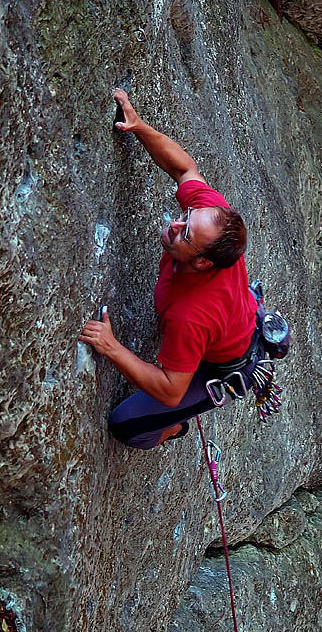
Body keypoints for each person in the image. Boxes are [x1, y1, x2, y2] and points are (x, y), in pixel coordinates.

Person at [79, 88, 262, 449]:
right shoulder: (214, 221)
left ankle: (174, 430)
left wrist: (111, 346)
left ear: (202, 261)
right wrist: (141, 127)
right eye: (186, 216)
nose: (176, 224)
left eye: (186, 234)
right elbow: (184, 168)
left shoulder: (191, 314)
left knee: (126, 426)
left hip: (220, 366)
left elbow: (171, 389)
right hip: (232, 320)